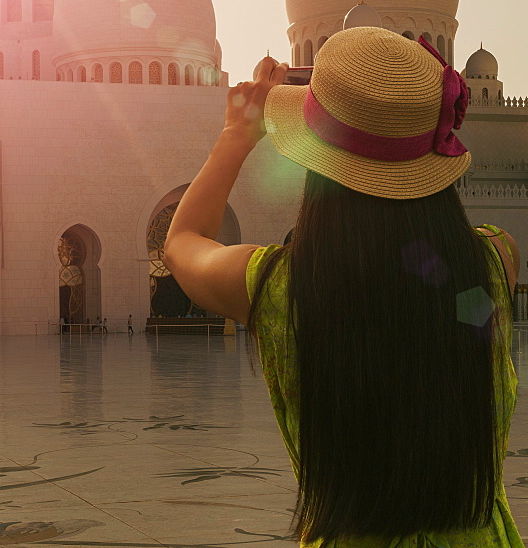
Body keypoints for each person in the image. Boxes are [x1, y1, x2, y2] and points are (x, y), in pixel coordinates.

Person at [164, 27, 522, 547]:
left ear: (316, 159)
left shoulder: (276, 288)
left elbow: (180, 243)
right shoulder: (497, 262)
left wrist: (236, 134)